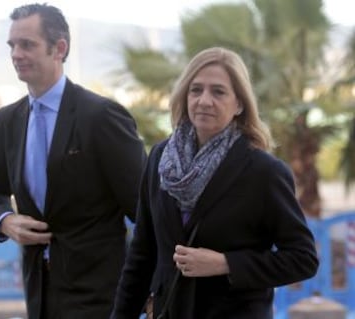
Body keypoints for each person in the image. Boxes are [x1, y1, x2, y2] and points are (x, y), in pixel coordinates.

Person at [110, 47, 319, 319]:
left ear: (239, 104)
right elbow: (142, 253)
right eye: (196, 90)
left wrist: (226, 264)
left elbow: (303, 259)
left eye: (218, 92)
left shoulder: (264, 172)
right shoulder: (160, 158)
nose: (204, 101)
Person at [0, 3, 146, 319]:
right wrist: (5, 221)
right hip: (38, 293)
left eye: (27, 44)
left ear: (60, 48)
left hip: (101, 296)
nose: (16, 53)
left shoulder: (101, 116)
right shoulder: (7, 120)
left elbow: (145, 207)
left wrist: (152, 284)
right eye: (12, 45)